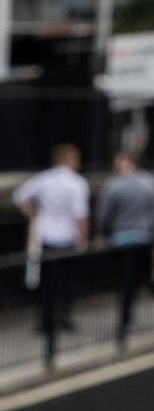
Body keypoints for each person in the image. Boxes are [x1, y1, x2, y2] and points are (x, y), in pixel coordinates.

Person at [13, 142, 90, 363]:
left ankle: (45, 320)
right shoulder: (77, 184)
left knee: (45, 281)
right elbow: (80, 216)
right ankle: (63, 317)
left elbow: (19, 196)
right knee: (66, 281)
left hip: (45, 236)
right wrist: (83, 237)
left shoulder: (44, 179)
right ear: (69, 160)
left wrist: (33, 214)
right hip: (67, 238)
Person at [94, 149, 154, 346]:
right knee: (136, 278)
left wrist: (101, 234)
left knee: (124, 280)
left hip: (121, 240)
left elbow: (103, 214)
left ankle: (125, 318)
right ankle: (129, 313)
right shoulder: (150, 183)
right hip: (143, 238)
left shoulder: (113, 186)